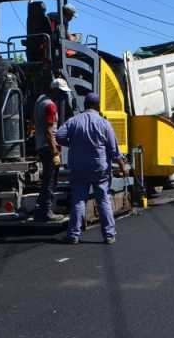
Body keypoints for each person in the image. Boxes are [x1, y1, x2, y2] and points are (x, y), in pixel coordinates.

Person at [56, 93, 125, 244]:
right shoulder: (104, 123)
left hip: (78, 167)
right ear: (97, 106)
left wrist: (72, 143)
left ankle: (73, 235)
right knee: (103, 200)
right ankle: (109, 235)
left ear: (85, 105)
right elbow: (114, 150)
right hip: (99, 168)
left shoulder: (73, 121)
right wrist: (122, 166)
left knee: (79, 200)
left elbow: (59, 136)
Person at [32, 78, 70, 222]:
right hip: (49, 148)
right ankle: (47, 211)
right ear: (55, 91)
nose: (63, 96)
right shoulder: (51, 106)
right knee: (50, 181)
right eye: (61, 93)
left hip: (41, 145)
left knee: (46, 179)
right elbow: (49, 131)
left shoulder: (40, 100)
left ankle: (40, 209)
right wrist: (55, 151)